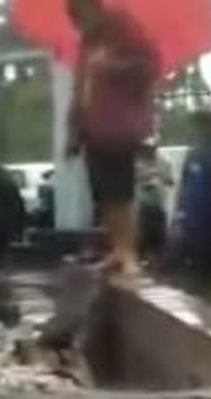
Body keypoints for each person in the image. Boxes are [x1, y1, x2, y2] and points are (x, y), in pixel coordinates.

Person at [66, 0, 160, 282]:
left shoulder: (123, 31)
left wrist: (111, 65)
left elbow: (148, 66)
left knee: (121, 192)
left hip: (119, 124)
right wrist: (73, 130)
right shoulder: (87, 42)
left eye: (81, 15)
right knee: (104, 194)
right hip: (92, 125)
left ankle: (129, 252)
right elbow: (79, 86)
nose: (79, 23)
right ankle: (118, 249)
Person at [174, 109, 211, 279]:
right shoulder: (193, 153)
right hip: (194, 214)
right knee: (198, 260)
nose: (201, 129)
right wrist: (180, 207)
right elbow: (184, 182)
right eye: (199, 125)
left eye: (205, 125)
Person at [136, 138, 173, 261]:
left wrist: (159, 177)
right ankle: (143, 260)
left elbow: (170, 181)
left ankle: (158, 263)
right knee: (142, 238)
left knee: (159, 240)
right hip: (142, 206)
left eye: (151, 148)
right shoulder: (136, 162)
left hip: (158, 205)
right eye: (145, 148)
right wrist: (146, 178)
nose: (148, 150)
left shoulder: (163, 162)